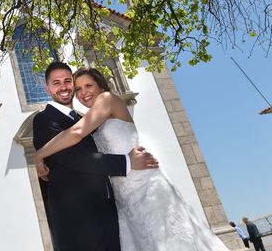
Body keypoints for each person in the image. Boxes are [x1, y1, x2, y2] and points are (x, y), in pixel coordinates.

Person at [35, 67, 228, 251]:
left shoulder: (107, 99)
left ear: (100, 86)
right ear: (48, 87)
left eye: (88, 85)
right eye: (78, 88)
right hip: (123, 196)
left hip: (144, 186)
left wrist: (39, 154)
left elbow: (76, 133)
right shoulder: (90, 117)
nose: (83, 92)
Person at [32, 62, 159, 251]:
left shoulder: (86, 117)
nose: (64, 87)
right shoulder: (44, 119)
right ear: (47, 87)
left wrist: (38, 156)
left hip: (110, 209)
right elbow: (78, 159)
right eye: (56, 83)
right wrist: (127, 161)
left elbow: (80, 134)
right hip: (77, 221)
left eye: (68, 81)